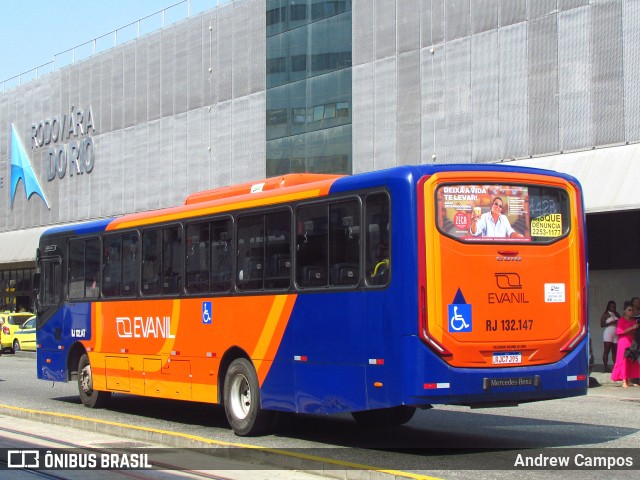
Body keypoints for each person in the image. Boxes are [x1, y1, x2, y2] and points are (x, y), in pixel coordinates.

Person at [610, 301, 640, 388]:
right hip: (623, 341)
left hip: (631, 341)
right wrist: (632, 328)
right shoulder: (621, 320)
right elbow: (620, 332)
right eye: (630, 310)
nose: (631, 312)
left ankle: (629, 379)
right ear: (625, 311)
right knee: (623, 360)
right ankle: (624, 380)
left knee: (631, 358)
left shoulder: (634, 320)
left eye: (632, 310)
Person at [600, 300, 619, 372]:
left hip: (616, 333)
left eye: (614, 306)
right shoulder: (605, 314)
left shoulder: (617, 314)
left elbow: (621, 321)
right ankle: (606, 367)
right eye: (611, 306)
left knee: (615, 351)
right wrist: (611, 322)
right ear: (608, 307)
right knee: (607, 350)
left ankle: (616, 366)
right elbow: (602, 325)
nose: (613, 308)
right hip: (608, 333)